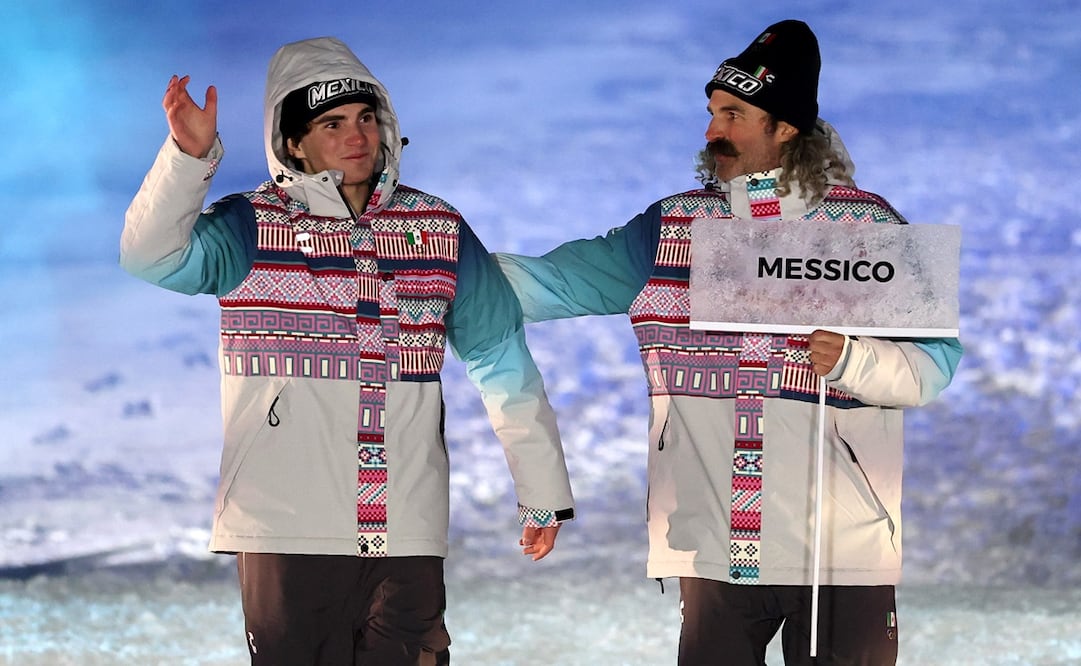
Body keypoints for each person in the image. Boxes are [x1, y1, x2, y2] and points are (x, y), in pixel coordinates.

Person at [497, 19, 962, 665]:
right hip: (712, 547)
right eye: (713, 112)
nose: (712, 130)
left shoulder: (867, 228)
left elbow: (934, 368)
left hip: (840, 549)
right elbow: (549, 282)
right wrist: (436, 273)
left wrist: (855, 359)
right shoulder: (670, 229)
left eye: (734, 114)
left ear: (784, 127)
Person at [120, 36, 575, 666]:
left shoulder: (439, 231)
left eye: (366, 119)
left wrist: (541, 489)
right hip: (284, 529)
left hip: (405, 531)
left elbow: (503, 361)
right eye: (332, 124)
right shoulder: (247, 226)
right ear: (293, 143)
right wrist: (187, 159)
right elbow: (150, 256)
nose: (356, 136)